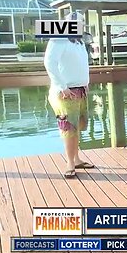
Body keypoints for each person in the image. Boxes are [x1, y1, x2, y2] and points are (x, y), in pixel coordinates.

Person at [44, 12, 95, 178]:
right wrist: (62, 86)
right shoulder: (59, 39)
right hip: (65, 93)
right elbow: (49, 62)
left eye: (80, 22)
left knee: (77, 127)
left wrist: (85, 82)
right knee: (68, 129)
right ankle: (70, 163)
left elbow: (79, 64)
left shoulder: (78, 41)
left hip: (79, 90)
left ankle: (77, 159)